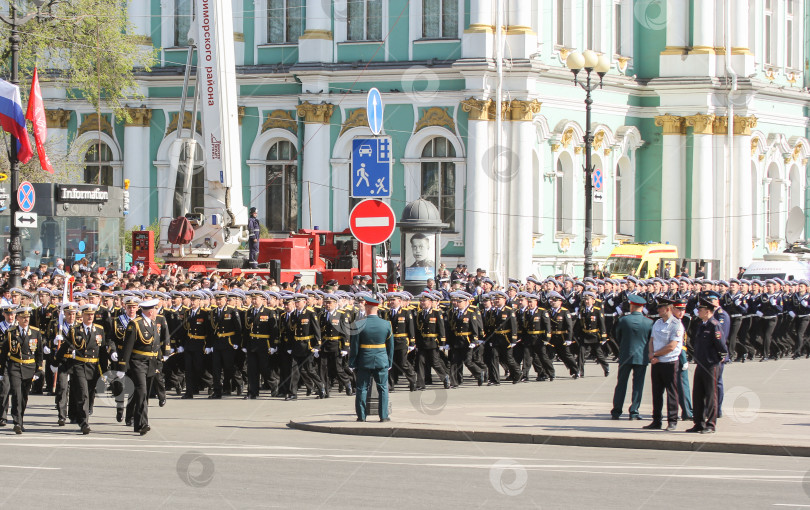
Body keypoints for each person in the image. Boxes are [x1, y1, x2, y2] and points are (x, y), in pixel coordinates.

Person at [117, 298, 162, 435]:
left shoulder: (153, 324)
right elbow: (127, 347)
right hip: (137, 363)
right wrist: (122, 367)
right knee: (141, 392)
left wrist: (159, 363)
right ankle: (143, 423)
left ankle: (137, 423)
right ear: (150, 312)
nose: (156, 312)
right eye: (154, 310)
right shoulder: (135, 324)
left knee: (143, 394)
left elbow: (156, 346)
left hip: (150, 363)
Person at [349, 294, 394, 422]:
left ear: (367, 308)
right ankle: (384, 416)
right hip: (381, 359)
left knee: (362, 388)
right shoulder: (386, 324)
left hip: (364, 360)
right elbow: (390, 346)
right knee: (383, 388)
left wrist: (352, 362)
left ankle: (362, 416)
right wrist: (389, 361)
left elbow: (355, 346)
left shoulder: (359, 324)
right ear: (376, 309)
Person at [687, 298, 727, 434]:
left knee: (711, 395)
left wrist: (719, 359)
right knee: (697, 394)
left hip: (711, 364)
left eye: (701, 309)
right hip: (700, 363)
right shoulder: (702, 324)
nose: (698, 311)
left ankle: (711, 424)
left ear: (708, 311)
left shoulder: (714, 325)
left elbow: (721, 346)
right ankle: (698, 422)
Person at [0, 307, 43, 433]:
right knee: (17, 394)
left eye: (27, 317)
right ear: (17, 318)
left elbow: (39, 353)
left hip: (29, 367)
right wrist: (1, 371)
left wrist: (38, 370)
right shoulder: (11, 332)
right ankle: (17, 422)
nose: (26, 319)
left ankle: (21, 419)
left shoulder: (35, 332)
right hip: (15, 367)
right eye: (23, 317)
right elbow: (4, 354)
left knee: (24, 396)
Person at [610, 294, 653, 420]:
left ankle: (616, 411)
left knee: (621, 384)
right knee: (638, 385)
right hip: (641, 357)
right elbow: (651, 339)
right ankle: (634, 411)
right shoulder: (649, 322)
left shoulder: (623, 320)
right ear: (642, 307)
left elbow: (617, 336)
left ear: (632, 306)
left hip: (625, 355)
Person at [644, 298, 683, 431]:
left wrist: (655, 355)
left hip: (669, 362)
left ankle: (672, 421)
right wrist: (651, 354)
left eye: (660, 308)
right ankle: (656, 420)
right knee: (656, 392)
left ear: (667, 309)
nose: (658, 310)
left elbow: (672, 346)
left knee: (672, 392)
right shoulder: (657, 323)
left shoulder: (676, 324)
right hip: (657, 362)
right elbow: (652, 340)